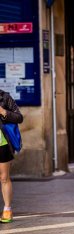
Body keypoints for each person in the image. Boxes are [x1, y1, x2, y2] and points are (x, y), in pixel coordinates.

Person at [0, 90, 23, 223]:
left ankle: (7, 210)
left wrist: (4, 112)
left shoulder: (4, 97)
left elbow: (19, 117)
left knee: (4, 177)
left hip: (2, 143)